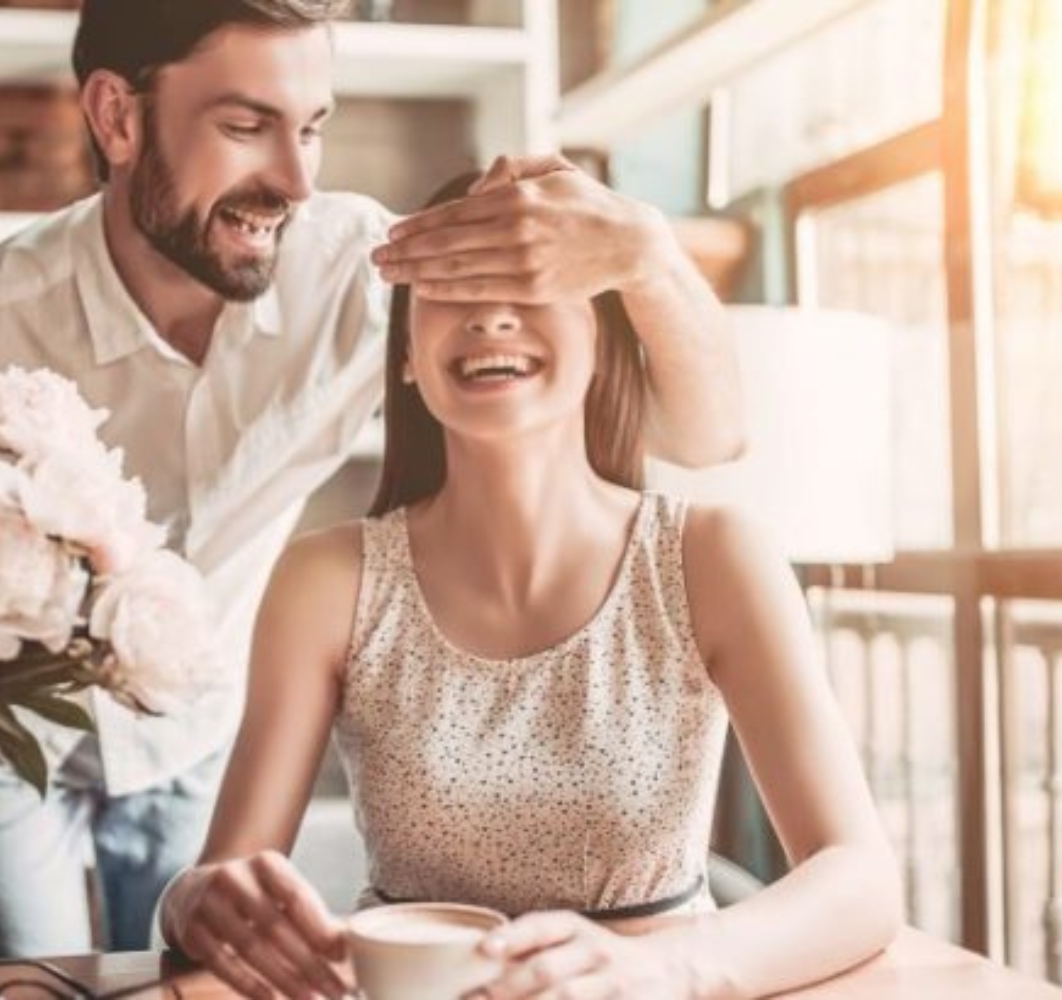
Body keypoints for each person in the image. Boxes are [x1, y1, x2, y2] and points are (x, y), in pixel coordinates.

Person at [0, 0, 744, 960]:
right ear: (117, 118)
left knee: (192, 981)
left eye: (312, 128)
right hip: (2, 747)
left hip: (204, 730)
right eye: (248, 125)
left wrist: (644, 258)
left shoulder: (359, 267)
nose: (295, 183)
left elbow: (709, 434)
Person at [157, 169, 901, 1000]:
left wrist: (662, 969)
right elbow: (224, 879)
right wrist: (190, 901)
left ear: (603, 337)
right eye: (451, 285)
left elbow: (862, 878)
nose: (488, 312)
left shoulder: (715, 557)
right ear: (405, 354)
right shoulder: (327, 578)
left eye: (527, 281)